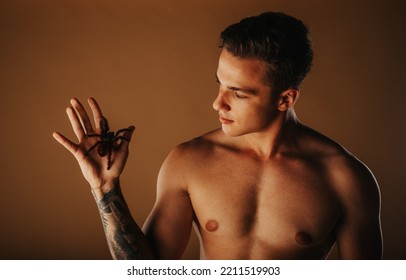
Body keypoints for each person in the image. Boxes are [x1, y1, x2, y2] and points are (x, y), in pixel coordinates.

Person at [53, 11, 383, 259]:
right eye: (219, 84)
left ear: (285, 99)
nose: (217, 103)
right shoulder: (190, 161)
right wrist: (105, 188)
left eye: (238, 93)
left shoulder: (345, 179)